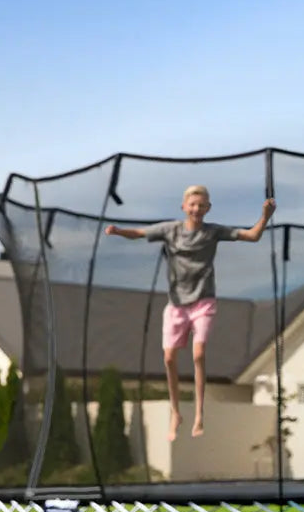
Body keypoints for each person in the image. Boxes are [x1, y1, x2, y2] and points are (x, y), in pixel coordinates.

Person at [106, 185, 277, 441]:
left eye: (202, 205)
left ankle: (199, 413)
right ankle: (176, 413)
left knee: (198, 354)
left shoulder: (213, 231)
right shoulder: (170, 230)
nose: (196, 209)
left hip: (203, 302)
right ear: (184, 207)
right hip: (176, 305)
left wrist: (265, 216)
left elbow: (252, 236)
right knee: (169, 359)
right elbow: (139, 232)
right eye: (192, 204)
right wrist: (118, 231)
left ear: (208, 208)